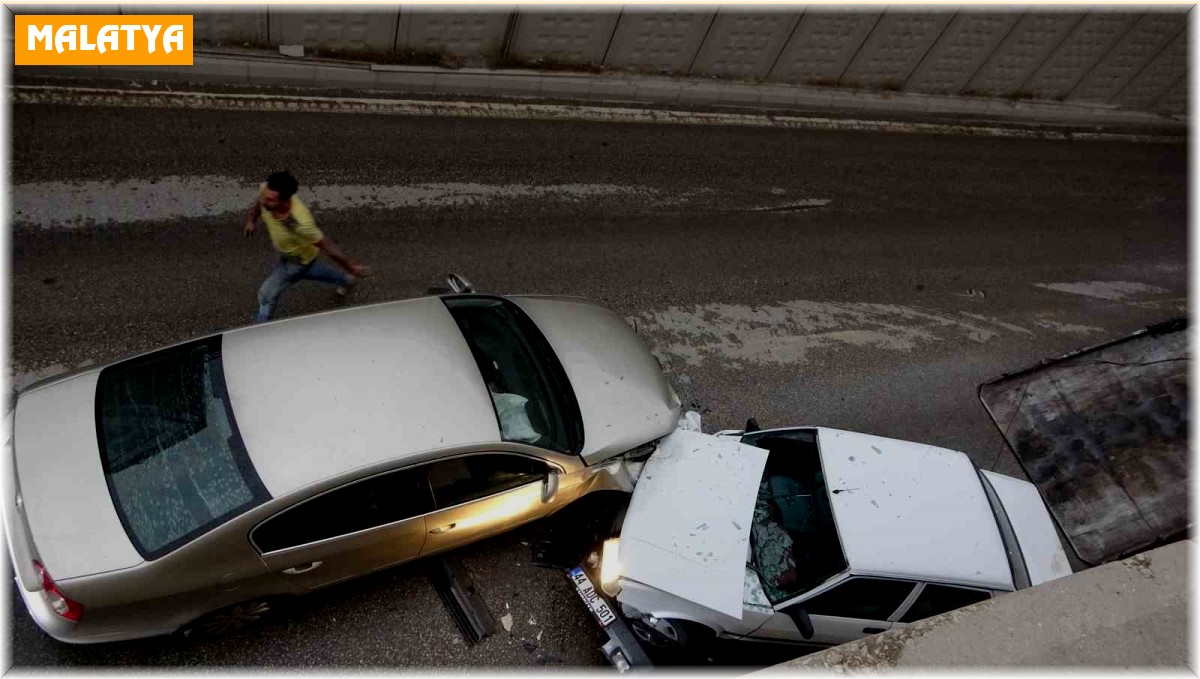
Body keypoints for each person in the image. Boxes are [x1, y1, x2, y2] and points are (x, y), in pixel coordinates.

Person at [244, 170, 371, 323]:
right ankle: (345, 280)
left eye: (270, 200)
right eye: (263, 195)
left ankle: (260, 328)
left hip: (296, 262)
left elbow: (327, 246)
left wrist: (352, 266)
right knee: (312, 271)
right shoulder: (267, 191)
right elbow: (259, 203)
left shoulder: (300, 223)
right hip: (288, 254)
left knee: (266, 294)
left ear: (284, 201)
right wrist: (251, 220)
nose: (264, 201)